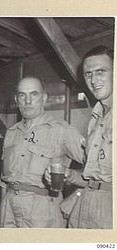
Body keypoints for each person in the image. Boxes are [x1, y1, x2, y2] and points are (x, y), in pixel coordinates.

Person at [0, 76, 85, 228]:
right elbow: (4, 182)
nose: (27, 101)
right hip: (8, 210)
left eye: (34, 94)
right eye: (22, 95)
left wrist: (75, 197)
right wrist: (1, 214)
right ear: (16, 100)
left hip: (42, 212)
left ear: (44, 98)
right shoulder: (12, 132)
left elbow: (98, 170)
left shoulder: (61, 130)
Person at [61, 46, 113, 229]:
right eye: (88, 74)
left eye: (101, 72)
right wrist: (70, 175)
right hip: (86, 202)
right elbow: (94, 177)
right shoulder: (96, 116)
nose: (93, 80)